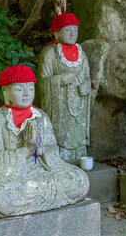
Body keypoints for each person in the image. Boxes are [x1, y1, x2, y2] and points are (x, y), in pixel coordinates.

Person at [0, 66, 89, 218]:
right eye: (19, 89)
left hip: (42, 172)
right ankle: (38, 196)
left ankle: (31, 199)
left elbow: (53, 150)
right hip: (11, 177)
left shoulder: (40, 116)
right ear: (5, 92)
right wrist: (26, 150)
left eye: (30, 88)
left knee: (80, 180)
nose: (26, 94)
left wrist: (41, 150)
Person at [37, 13, 91, 163]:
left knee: (77, 131)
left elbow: (87, 77)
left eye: (75, 29)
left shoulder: (82, 53)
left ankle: (79, 157)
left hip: (78, 104)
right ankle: (58, 158)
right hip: (58, 107)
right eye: (67, 30)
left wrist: (87, 86)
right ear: (56, 33)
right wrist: (59, 79)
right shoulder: (50, 54)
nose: (72, 33)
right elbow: (43, 81)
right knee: (60, 132)